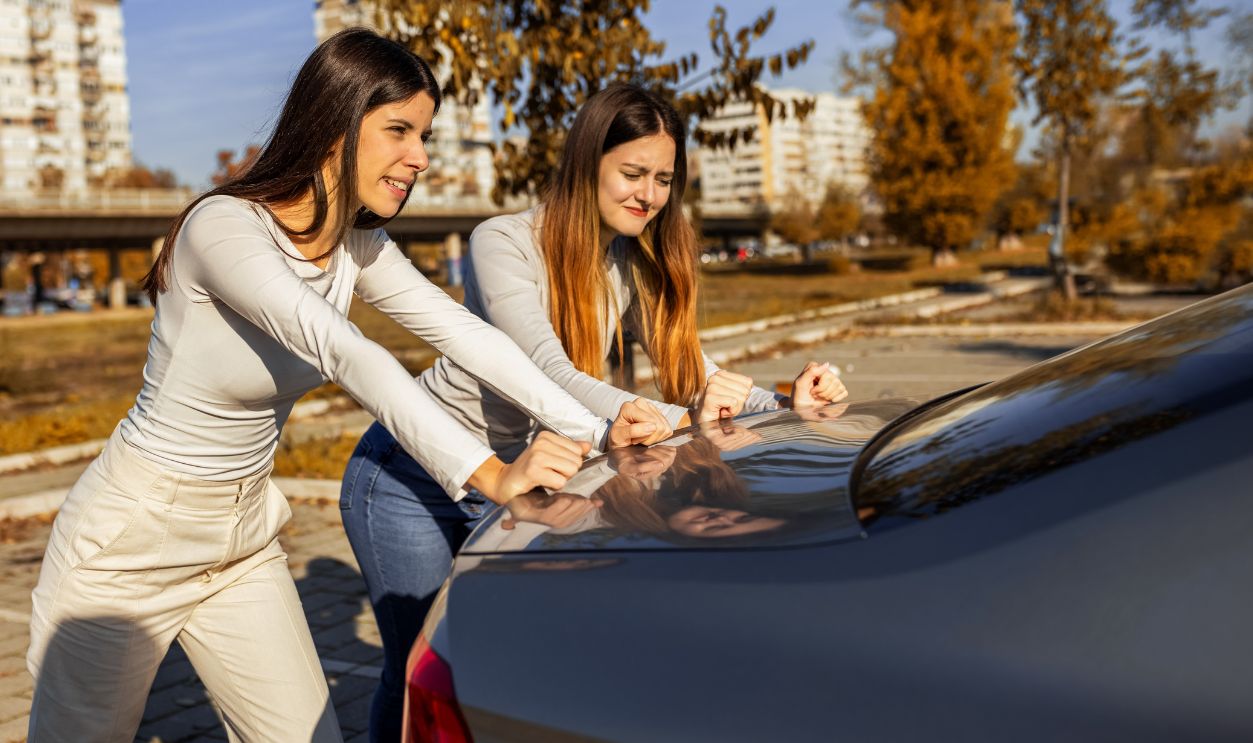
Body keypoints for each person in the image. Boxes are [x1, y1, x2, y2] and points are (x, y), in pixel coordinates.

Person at [25, 30, 663, 743]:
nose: (418, 156)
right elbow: (345, 351)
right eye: (399, 130)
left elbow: (466, 335)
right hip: (133, 535)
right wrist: (493, 476)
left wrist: (596, 428)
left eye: (423, 133)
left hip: (240, 541)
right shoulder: (223, 227)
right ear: (335, 123)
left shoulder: (355, 243)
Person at [341, 82, 848, 740]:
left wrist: (785, 400)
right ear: (587, 165)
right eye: (632, 173)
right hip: (410, 479)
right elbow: (542, 370)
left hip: (524, 477)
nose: (649, 193)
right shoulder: (502, 240)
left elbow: (692, 370)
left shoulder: (627, 262)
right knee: (423, 670)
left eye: (663, 178)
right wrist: (661, 414)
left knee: (500, 666)